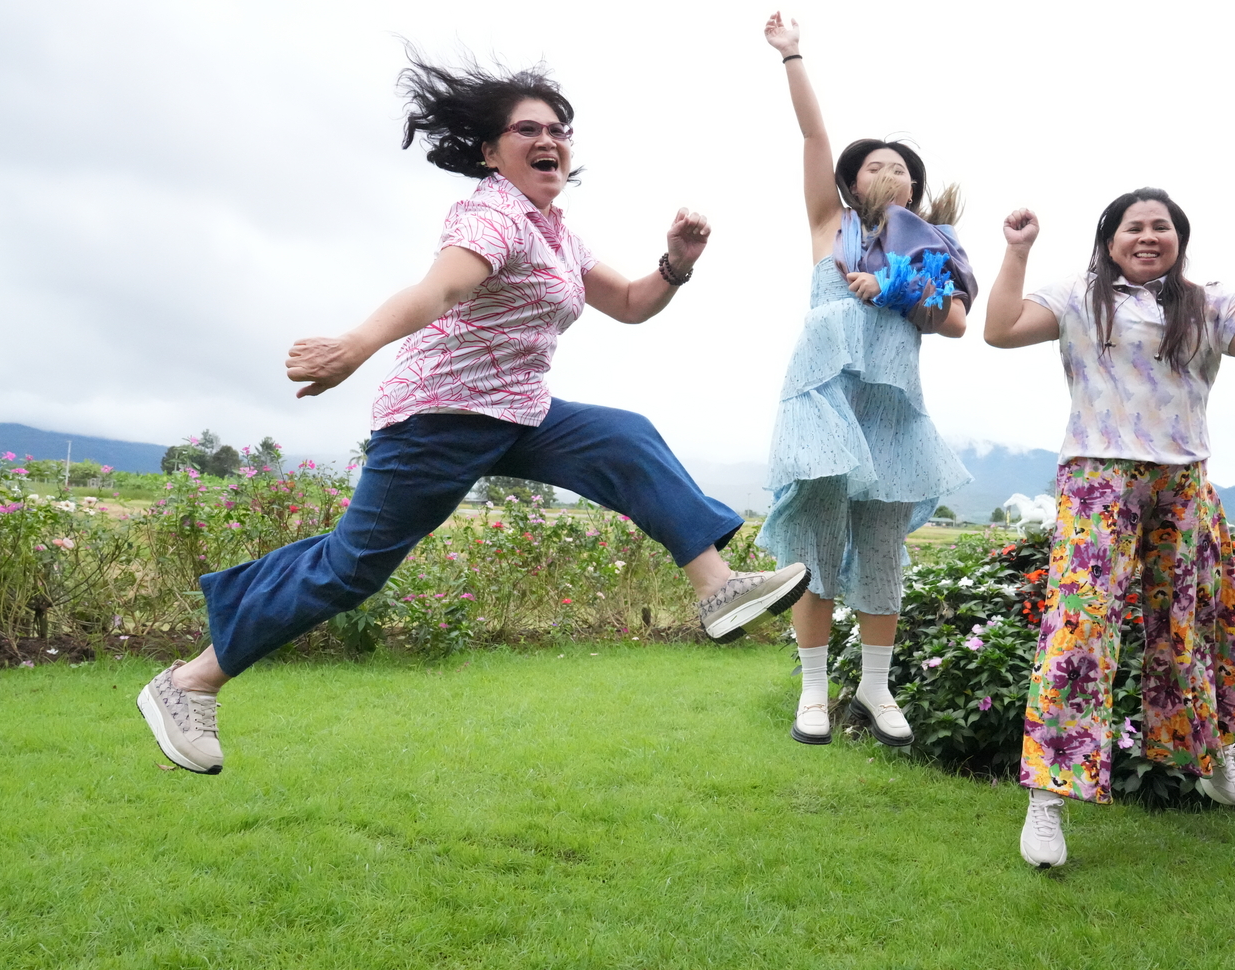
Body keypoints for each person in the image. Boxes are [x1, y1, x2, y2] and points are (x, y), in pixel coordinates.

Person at [136, 57, 808, 775]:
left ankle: (715, 587)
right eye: (528, 130)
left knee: (622, 437)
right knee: (349, 569)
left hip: (517, 410)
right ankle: (190, 682)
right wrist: (356, 345)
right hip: (440, 417)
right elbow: (441, 291)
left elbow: (630, 304)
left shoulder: (556, 231)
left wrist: (675, 263)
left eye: (559, 130)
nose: (549, 140)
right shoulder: (492, 215)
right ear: (491, 152)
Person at [986, 190, 1235, 868]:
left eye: (1162, 227)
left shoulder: (1206, 302)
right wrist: (1017, 251)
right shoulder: (1079, 296)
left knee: (1190, 624)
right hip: (1098, 477)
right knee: (1080, 626)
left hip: (1182, 480)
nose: (1148, 236)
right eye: (1134, 227)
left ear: (1180, 239)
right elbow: (1000, 329)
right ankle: (1048, 796)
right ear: (1110, 239)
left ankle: (1211, 750)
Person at [758, 14, 974, 749]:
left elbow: (953, 323)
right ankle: (813, 694)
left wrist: (901, 289)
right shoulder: (831, 226)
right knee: (816, 551)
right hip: (826, 403)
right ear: (852, 184)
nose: (891, 174)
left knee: (882, 554)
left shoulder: (932, 248)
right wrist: (792, 55)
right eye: (876, 166)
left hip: (892, 411)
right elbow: (814, 137)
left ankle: (876, 689)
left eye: (902, 168)